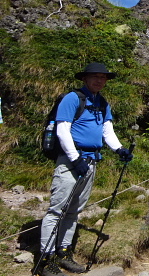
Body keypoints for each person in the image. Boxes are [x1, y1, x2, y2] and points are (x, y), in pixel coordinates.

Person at [37, 63, 133, 276]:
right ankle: (46, 259)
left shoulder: (102, 102)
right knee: (57, 210)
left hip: (91, 162)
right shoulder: (72, 98)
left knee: (74, 210)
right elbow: (62, 129)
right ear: (85, 78)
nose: (99, 80)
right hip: (72, 161)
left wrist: (119, 149)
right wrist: (75, 158)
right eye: (95, 77)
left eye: (103, 77)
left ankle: (63, 252)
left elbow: (107, 129)